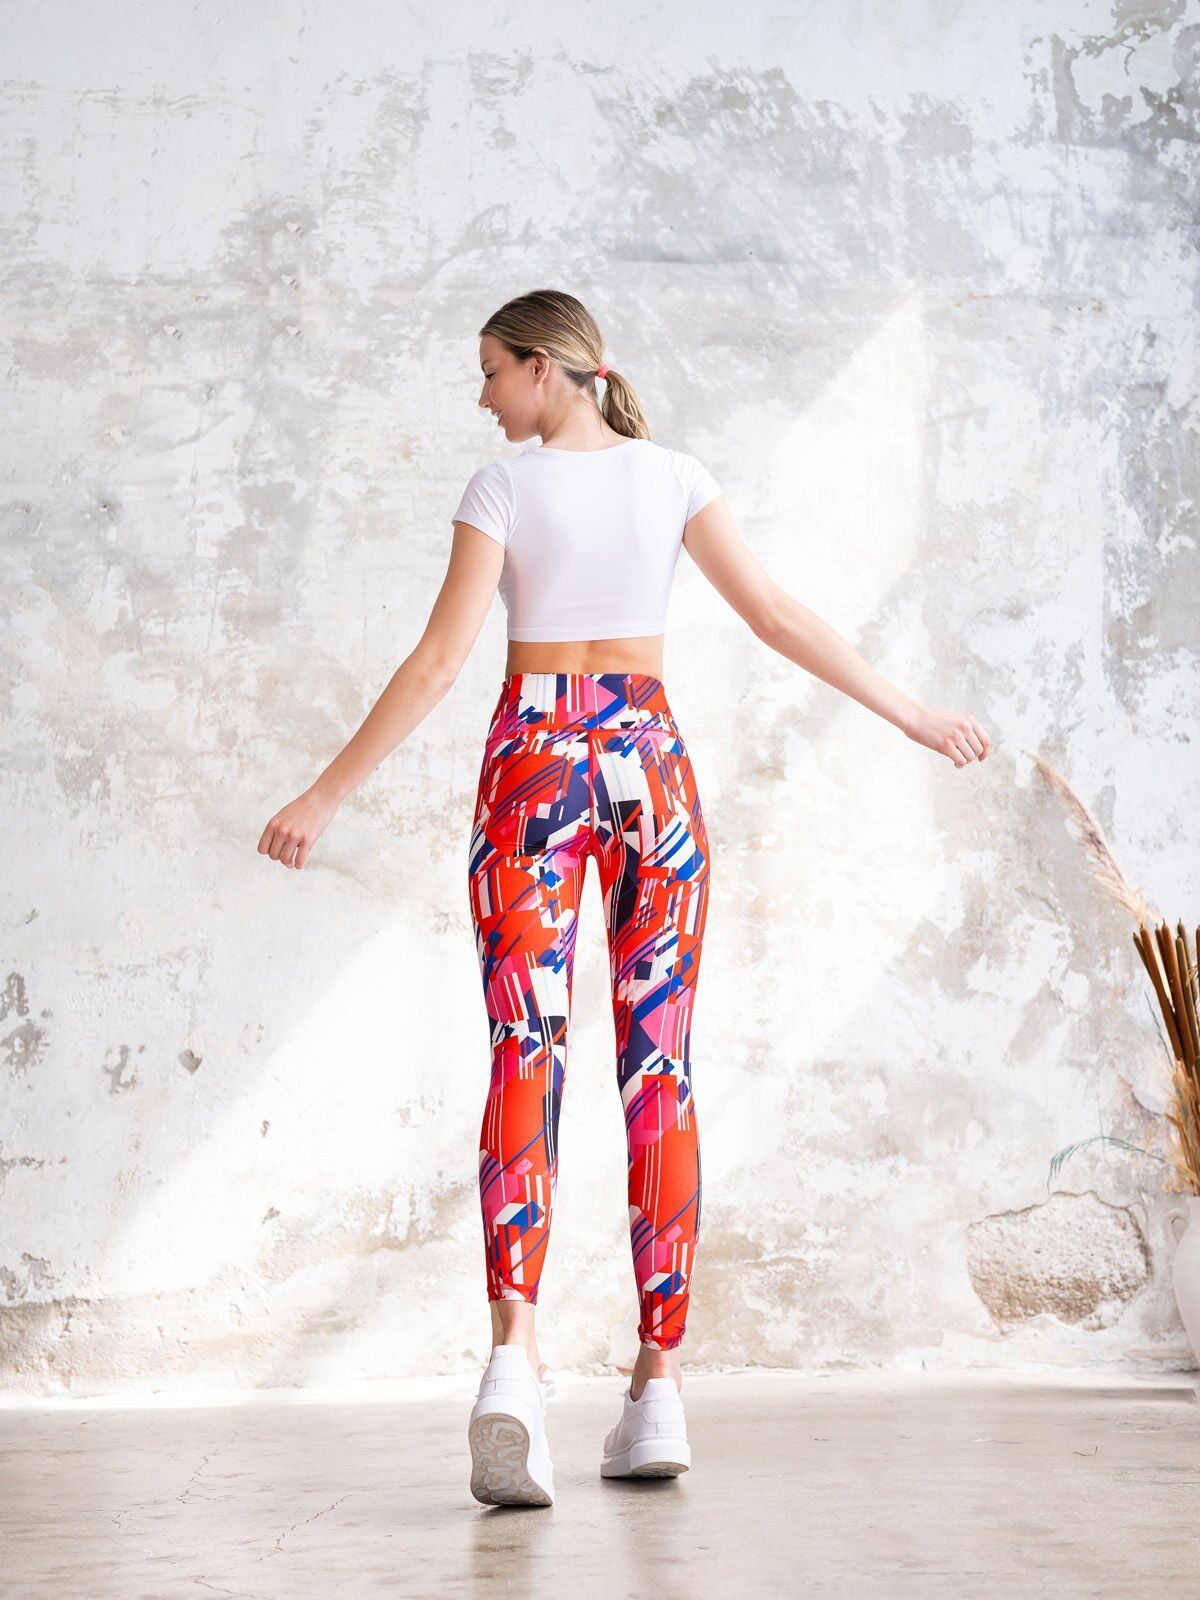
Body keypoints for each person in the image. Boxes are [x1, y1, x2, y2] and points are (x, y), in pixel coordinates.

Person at [257, 288, 990, 1507]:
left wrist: (325, 794)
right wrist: (910, 714)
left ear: (544, 368)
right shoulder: (674, 476)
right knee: (662, 1067)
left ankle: (513, 1362)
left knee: (524, 1047)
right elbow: (776, 617)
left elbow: (440, 661)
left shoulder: (504, 488)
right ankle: (659, 1387)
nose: (483, 396)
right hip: (651, 763)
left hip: (534, 765)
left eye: (492, 371)